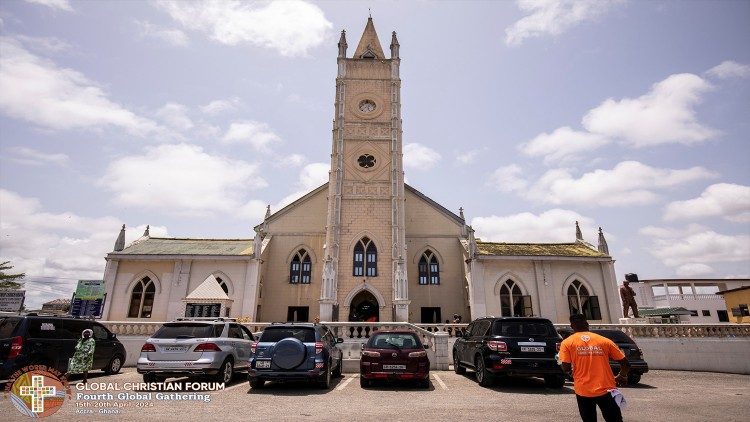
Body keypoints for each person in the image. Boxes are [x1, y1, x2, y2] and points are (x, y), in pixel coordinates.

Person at [559, 314, 630, 422]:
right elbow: (625, 363)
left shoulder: (567, 343)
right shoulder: (604, 341)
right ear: (587, 324)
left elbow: (566, 368)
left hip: (583, 390)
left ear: (572, 326)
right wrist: (622, 375)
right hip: (607, 388)